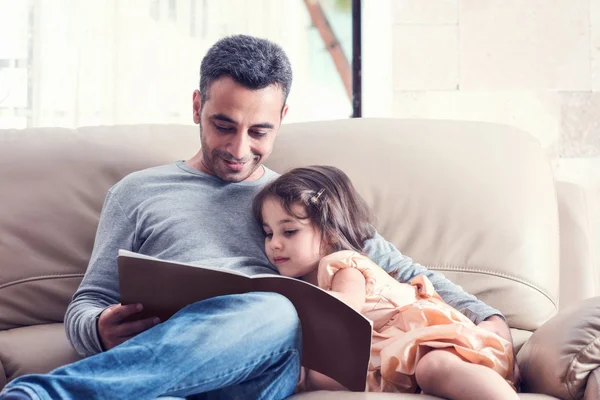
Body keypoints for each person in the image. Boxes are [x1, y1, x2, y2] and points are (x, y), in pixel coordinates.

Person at [0, 34, 516, 400]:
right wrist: (100, 329)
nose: (238, 149)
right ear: (197, 105)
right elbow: (86, 303)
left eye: (259, 132)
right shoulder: (137, 192)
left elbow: (394, 267)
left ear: (282, 120)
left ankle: (41, 397)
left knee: (274, 309)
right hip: (163, 358)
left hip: (267, 366)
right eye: (223, 125)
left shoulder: (298, 202)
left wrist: (490, 319)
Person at [252, 165, 519, 399]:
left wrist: (290, 313)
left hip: (441, 345)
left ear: (330, 232)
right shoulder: (312, 281)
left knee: (433, 367)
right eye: (268, 233)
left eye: (289, 232)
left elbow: (344, 309)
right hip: (399, 360)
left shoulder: (343, 265)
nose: (274, 244)